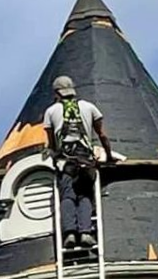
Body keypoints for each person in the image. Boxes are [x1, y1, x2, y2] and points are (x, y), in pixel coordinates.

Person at [41, 74, 115, 252]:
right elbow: (102, 135)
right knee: (84, 196)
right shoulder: (89, 107)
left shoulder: (51, 111)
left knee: (67, 196)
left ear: (57, 93)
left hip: (65, 162)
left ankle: (70, 234)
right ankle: (86, 233)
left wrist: (51, 153)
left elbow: (51, 143)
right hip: (85, 161)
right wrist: (109, 156)